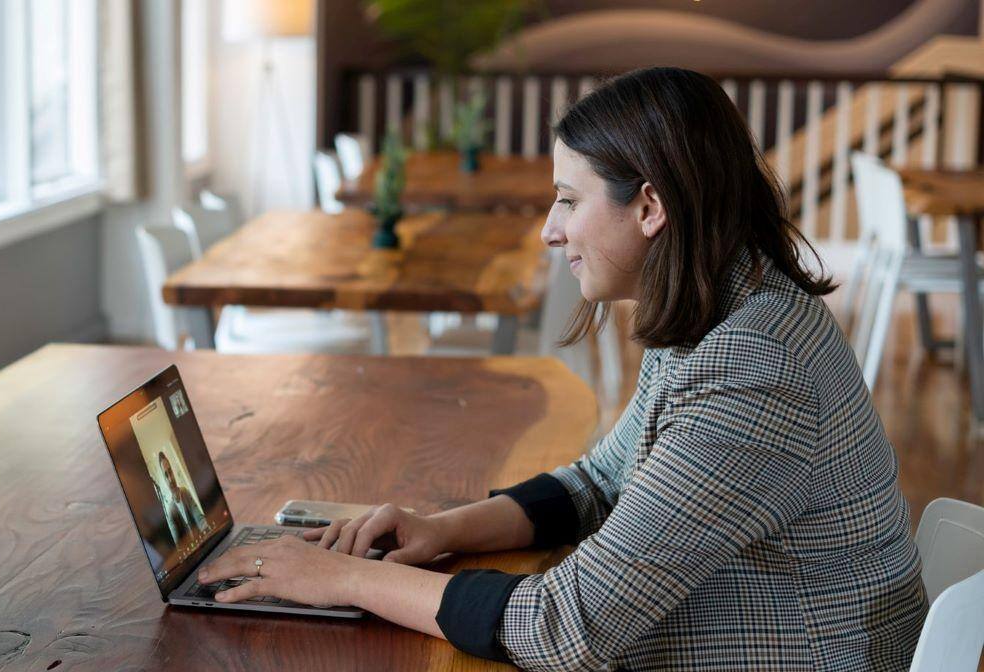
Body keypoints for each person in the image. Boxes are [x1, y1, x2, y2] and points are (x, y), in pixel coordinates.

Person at [198, 67, 927, 671]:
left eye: (570, 201)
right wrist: (440, 529)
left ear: (649, 208)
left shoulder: (756, 365)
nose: (550, 230)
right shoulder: (719, 304)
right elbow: (600, 481)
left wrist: (346, 580)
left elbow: (568, 626)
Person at [158, 451, 206, 542]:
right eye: (166, 475)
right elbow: (178, 543)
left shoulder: (185, 492)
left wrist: (207, 528)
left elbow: (199, 517)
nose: (170, 479)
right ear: (164, 480)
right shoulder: (170, 512)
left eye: (170, 472)